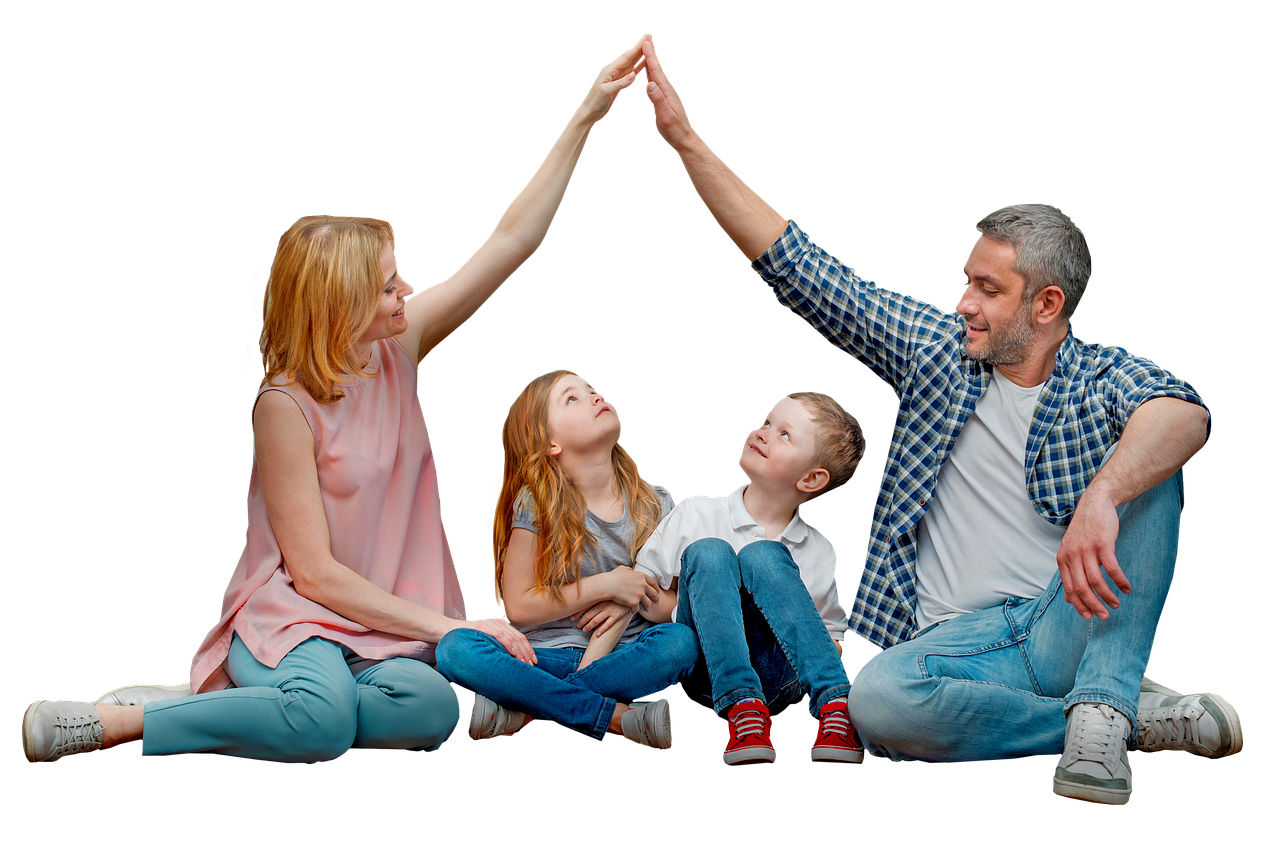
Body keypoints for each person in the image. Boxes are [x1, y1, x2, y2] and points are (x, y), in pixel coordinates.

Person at [637, 33, 1242, 803]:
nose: (964, 304)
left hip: (1063, 623)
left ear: (1046, 305)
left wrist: (1103, 494)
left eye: (988, 289)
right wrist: (684, 140)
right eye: (966, 282)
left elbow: (1185, 414)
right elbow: (799, 266)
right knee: (877, 703)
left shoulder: (1101, 376)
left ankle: (1101, 703)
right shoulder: (937, 351)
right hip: (956, 650)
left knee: (1155, 464)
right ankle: (1112, 716)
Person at [20, 36, 651, 763]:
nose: (407, 293)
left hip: (391, 624)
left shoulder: (398, 348)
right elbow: (314, 572)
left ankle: (240, 707)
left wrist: (586, 115)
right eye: (388, 285)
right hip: (300, 618)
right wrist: (452, 630)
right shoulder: (283, 407)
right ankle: (130, 721)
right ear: (337, 303)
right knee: (322, 726)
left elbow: (512, 240)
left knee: (426, 715)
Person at [433, 370, 698, 748]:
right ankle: (616, 718)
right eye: (571, 399)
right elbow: (520, 607)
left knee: (681, 642)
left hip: (625, 657)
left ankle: (529, 709)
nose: (595, 396)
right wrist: (607, 584)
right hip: (541, 658)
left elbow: (673, 608)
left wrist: (635, 592)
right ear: (549, 442)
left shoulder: (656, 503)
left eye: (592, 390)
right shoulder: (535, 503)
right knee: (455, 647)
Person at [633, 390, 866, 765]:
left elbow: (832, 638)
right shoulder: (696, 512)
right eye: (766, 423)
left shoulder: (819, 550)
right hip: (705, 676)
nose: (762, 433)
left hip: (781, 679)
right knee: (710, 552)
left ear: (810, 479)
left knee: (764, 556)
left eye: (784, 434)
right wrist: (704, 613)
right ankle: (743, 708)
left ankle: (835, 707)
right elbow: (641, 590)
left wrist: (790, 630)